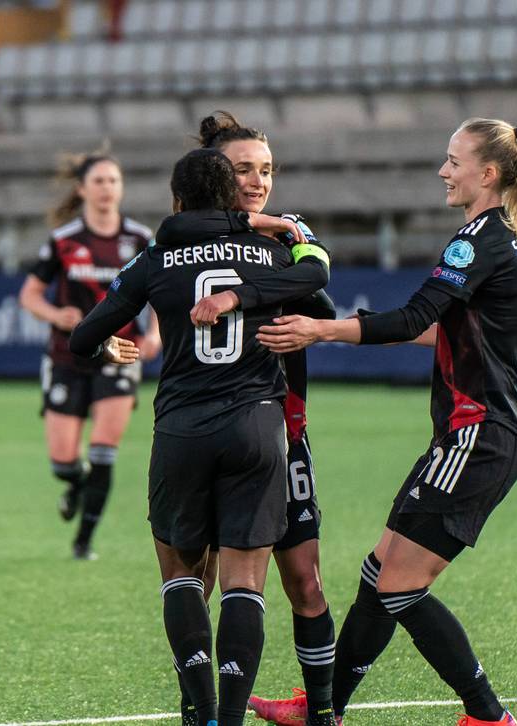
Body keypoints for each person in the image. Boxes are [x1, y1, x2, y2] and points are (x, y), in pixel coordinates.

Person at [250, 117, 517, 726]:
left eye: (454, 161)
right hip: (473, 434)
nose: (444, 171)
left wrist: (321, 329)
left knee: (399, 587)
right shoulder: (503, 236)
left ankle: (488, 716)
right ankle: (324, 708)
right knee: (378, 571)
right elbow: (446, 331)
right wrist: (364, 331)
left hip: (478, 434)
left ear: (486, 174)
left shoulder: (476, 240)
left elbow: (416, 318)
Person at [68, 148, 330, 726]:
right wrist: (286, 234)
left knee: (183, 574)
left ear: (177, 200)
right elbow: (319, 282)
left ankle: (202, 711)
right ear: (231, 196)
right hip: (259, 427)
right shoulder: (269, 251)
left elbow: (83, 337)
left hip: (183, 428)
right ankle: (232, 718)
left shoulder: (155, 258)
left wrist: (111, 346)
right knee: (244, 581)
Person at [154, 112, 339, 726]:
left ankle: (321, 713)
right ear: (213, 176)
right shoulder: (179, 245)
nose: (258, 181)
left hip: (280, 430)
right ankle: (201, 708)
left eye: (266, 169)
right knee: (197, 576)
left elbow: (322, 300)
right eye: (243, 170)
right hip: (207, 428)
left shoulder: (287, 238)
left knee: (304, 580)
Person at [18, 151, 160, 560]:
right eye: (98, 181)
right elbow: (28, 295)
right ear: (82, 189)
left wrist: (155, 336)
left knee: (102, 449)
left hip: (119, 354)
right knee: (64, 462)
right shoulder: (64, 241)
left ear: (121, 188)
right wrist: (55, 313)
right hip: (67, 357)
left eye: (113, 181)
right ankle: (75, 486)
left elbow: (164, 295)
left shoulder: (140, 240)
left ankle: (84, 542)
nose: (106, 189)